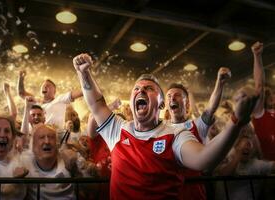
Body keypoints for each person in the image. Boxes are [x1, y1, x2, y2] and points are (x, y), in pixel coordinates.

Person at [72, 53, 258, 200]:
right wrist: (84, 73)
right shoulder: (117, 130)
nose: (141, 90)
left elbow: (203, 159)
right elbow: (96, 103)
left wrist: (236, 121)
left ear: (162, 104)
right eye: (136, 88)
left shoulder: (176, 134)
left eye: (150, 88)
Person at [165, 67, 231, 200]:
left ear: (187, 103)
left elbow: (210, 108)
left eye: (177, 95)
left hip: (194, 193)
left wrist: (220, 82)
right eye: (169, 96)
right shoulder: (160, 128)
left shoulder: (197, 125)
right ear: (166, 103)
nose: (172, 98)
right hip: (168, 193)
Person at [20, 124, 76, 199]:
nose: (47, 141)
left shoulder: (68, 158)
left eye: (51, 137)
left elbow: (91, 190)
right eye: (41, 137)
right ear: (33, 146)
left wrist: (76, 169)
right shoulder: (23, 162)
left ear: (57, 145)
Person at [17, 70, 83, 130]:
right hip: (33, 137)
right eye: (43, 86)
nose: (45, 87)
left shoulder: (60, 99)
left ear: (54, 91)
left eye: (48, 86)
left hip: (53, 136)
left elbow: (79, 93)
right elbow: (21, 93)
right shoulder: (35, 101)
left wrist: (84, 76)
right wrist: (21, 78)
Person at [250, 42, 275, 160]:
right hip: (268, 171)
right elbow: (259, 85)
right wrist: (257, 56)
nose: (271, 97)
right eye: (267, 95)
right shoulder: (260, 114)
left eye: (272, 95)